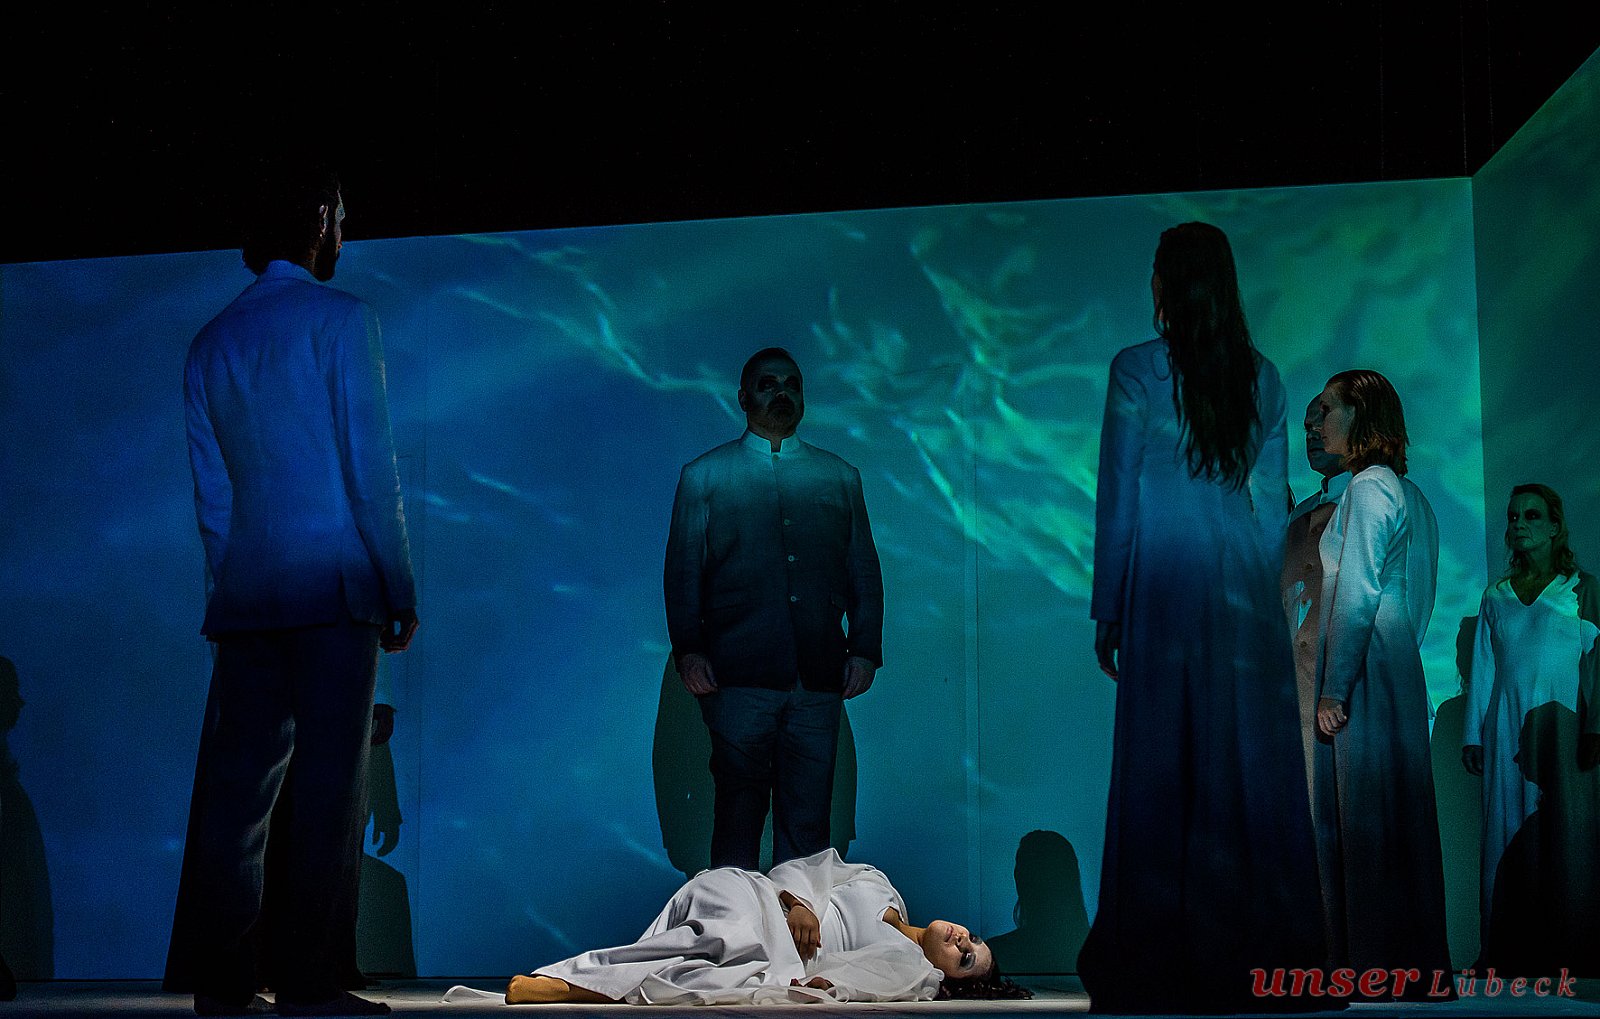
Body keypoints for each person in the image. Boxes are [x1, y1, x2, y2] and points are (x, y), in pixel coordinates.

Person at [166, 165, 418, 1018]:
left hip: (247, 597)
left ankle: (223, 977)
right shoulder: (343, 319)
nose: (344, 232)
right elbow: (370, 469)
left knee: (238, 795)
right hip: (333, 590)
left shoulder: (211, 341)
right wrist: (398, 584)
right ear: (317, 221)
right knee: (327, 789)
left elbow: (214, 500)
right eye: (340, 217)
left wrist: (226, 593)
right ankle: (308, 977)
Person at [1082, 223, 1326, 1013]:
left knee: (1162, 762)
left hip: (1162, 584)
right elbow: (1270, 506)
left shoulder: (1136, 370)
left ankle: (1158, 953)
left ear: (1164, 284)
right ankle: (1258, 950)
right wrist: (1262, 602)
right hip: (1239, 590)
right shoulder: (1262, 375)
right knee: (1243, 767)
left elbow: (1120, 496)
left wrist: (1109, 605)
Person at [663, 348, 882, 870]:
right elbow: (683, 572)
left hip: (817, 677)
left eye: (791, 384)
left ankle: (801, 922)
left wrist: (864, 649)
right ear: (744, 397)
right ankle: (732, 921)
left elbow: (863, 571)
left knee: (810, 822)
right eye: (768, 384)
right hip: (737, 675)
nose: (781, 393)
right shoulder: (705, 476)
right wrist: (689, 650)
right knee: (737, 815)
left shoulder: (839, 477)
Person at [1312, 368, 1452, 999]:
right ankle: (1393, 961)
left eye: (1328, 410)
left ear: (1361, 417)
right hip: (1382, 655)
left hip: (1367, 656)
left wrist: (1334, 686)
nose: (1319, 424)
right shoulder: (1381, 486)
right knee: (1385, 809)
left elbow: (1357, 589)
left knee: (1366, 809)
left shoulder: (1369, 488)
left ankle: (1373, 961)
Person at [497, 850, 1029, 1004]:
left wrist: (823, 983)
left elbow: (854, 982)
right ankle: (583, 983)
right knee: (726, 918)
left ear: (947, 978)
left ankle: (568, 985)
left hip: (780, 950)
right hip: (761, 896)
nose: (962, 939)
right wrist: (798, 902)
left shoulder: (913, 969)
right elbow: (808, 868)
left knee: (724, 960)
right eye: (974, 939)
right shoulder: (880, 884)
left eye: (964, 959)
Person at [1461, 483, 1600, 971]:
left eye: (1532, 515)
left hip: (1562, 729)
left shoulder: (1581, 589)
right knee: (1506, 827)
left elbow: (1597, 665)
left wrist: (1595, 728)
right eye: (1513, 516)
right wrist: (1474, 734)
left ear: (1555, 526)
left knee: (1567, 833)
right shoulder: (1496, 597)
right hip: (1507, 733)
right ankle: (1507, 951)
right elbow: (1483, 669)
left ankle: (1573, 951)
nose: (1519, 523)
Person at [1282, 396, 1350, 804]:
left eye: (1320, 424)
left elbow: (1408, 606)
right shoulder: (1300, 515)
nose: (1312, 435)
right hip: (1297, 691)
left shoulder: (1387, 497)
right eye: (1306, 427)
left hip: (1345, 690)